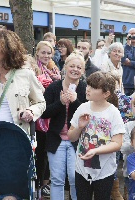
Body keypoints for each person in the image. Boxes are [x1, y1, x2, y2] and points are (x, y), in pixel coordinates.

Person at [68, 71, 125, 200]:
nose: (88, 89)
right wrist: (80, 127)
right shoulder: (82, 107)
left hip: (104, 170)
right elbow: (71, 137)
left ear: (106, 94)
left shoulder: (113, 112)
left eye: (93, 87)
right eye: (88, 85)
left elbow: (117, 143)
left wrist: (95, 150)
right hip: (81, 168)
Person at [40, 51, 87, 200]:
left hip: (78, 140)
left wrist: (75, 101)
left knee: (75, 179)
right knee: (57, 179)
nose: (75, 69)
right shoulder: (54, 87)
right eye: (72, 66)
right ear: (65, 67)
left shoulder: (85, 88)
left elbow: (89, 114)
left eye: (79, 67)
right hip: (57, 139)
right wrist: (60, 103)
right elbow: (44, 112)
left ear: (83, 70)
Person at [34, 40, 61, 198]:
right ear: (37, 52)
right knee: (40, 152)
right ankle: (38, 184)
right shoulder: (34, 68)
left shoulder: (54, 69)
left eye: (48, 53)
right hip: (38, 118)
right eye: (43, 52)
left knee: (48, 151)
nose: (46, 55)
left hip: (51, 115)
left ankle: (45, 183)